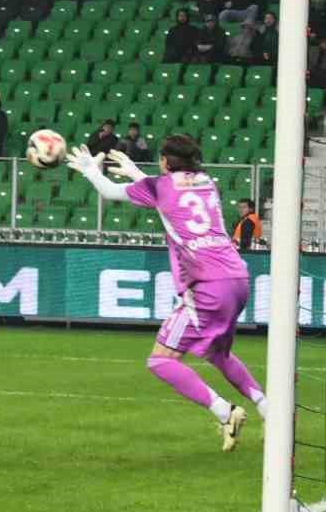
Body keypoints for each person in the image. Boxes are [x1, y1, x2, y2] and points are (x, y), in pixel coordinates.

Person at [68, 136, 265, 450]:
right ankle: (269, 409)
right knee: (218, 353)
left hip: (207, 284)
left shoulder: (159, 186)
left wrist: (91, 170)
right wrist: (136, 173)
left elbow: (111, 191)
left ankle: (225, 412)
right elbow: (172, 192)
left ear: (164, 161)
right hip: (238, 278)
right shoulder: (206, 182)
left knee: (161, 361)